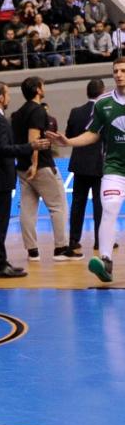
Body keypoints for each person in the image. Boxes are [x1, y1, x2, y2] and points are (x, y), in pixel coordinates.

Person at [48, 59, 125, 283]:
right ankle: (105, 262)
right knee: (109, 208)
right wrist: (68, 142)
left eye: (123, 71)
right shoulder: (103, 104)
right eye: (116, 71)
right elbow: (93, 133)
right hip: (114, 168)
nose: (119, 75)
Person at [0, 82, 50, 278]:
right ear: (1, 97)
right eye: (7, 93)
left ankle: (1, 262)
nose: (9, 97)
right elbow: (3, 149)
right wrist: (30, 146)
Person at [10, 77, 78, 262]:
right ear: (38, 90)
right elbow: (34, 141)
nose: (44, 88)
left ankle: (32, 251)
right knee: (58, 206)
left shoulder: (17, 114)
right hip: (39, 167)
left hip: (22, 168)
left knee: (28, 209)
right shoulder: (38, 110)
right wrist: (34, 165)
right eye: (43, 85)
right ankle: (61, 248)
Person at [65, 79, 105, 254]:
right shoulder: (106, 111)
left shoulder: (76, 112)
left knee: (78, 203)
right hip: (99, 164)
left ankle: (74, 240)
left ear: (87, 92)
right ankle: (99, 240)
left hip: (79, 164)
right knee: (99, 203)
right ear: (102, 92)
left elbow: (69, 136)